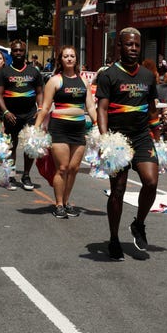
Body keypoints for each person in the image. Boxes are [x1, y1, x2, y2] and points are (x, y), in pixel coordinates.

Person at [96, 27, 160, 260]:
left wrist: (157, 131)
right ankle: (114, 238)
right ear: (119, 47)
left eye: (136, 45)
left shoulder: (147, 75)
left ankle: (139, 223)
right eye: (129, 44)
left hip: (142, 136)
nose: (133, 48)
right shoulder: (108, 75)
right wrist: (105, 139)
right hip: (118, 138)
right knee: (118, 190)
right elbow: (102, 109)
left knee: (151, 182)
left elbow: (151, 108)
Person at [34, 46, 98, 218]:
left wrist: (97, 122)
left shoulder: (84, 81)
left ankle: (67, 201)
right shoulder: (55, 80)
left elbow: (90, 106)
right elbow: (46, 106)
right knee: (62, 168)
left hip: (78, 129)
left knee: (74, 168)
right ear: (60, 59)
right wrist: (36, 128)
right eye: (66, 56)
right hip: (59, 128)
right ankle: (59, 204)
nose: (69, 59)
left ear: (76, 59)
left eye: (72, 56)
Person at [0, 39, 43, 191]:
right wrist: (6, 112)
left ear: (25, 52)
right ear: (11, 53)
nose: (18, 53)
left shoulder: (34, 72)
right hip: (11, 115)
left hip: (30, 114)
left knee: (30, 146)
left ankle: (26, 175)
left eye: (20, 50)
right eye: (15, 50)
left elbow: (40, 92)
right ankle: (10, 176)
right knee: (11, 146)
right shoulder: (4, 72)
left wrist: (40, 109)